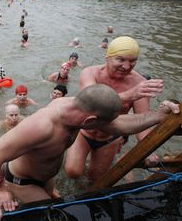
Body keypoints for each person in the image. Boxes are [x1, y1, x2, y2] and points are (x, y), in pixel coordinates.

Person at [0, 84, 182, 221]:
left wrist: (161, 115)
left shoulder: (79, 109)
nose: (110, 127)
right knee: (55, 217)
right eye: (103, 124)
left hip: (47, 177)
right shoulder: (42, 126)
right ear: (90, 121)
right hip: (24, 181)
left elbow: (122, 124)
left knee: (57, 199)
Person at [64, 36, 165, 182]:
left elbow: (143, 119)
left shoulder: (140, 83)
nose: (126, 66)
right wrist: (130, 94)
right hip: (83, 132)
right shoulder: (90, 73)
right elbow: (93, 103)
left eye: (132, 61)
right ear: (108, 57)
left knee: (95, 179)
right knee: (72, 172)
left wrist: (148, 149)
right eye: (121, 59)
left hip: (110, 138)